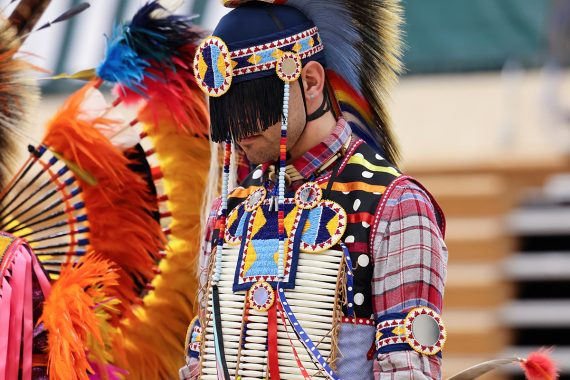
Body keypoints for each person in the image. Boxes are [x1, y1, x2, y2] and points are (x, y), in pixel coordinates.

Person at [180, 1, 448, 379]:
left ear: (310, 82)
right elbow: (200, 364)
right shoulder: (230, 211)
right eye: (228, 113)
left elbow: (408, 370)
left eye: (254, 104)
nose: (239, 129)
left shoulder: (395, 205)